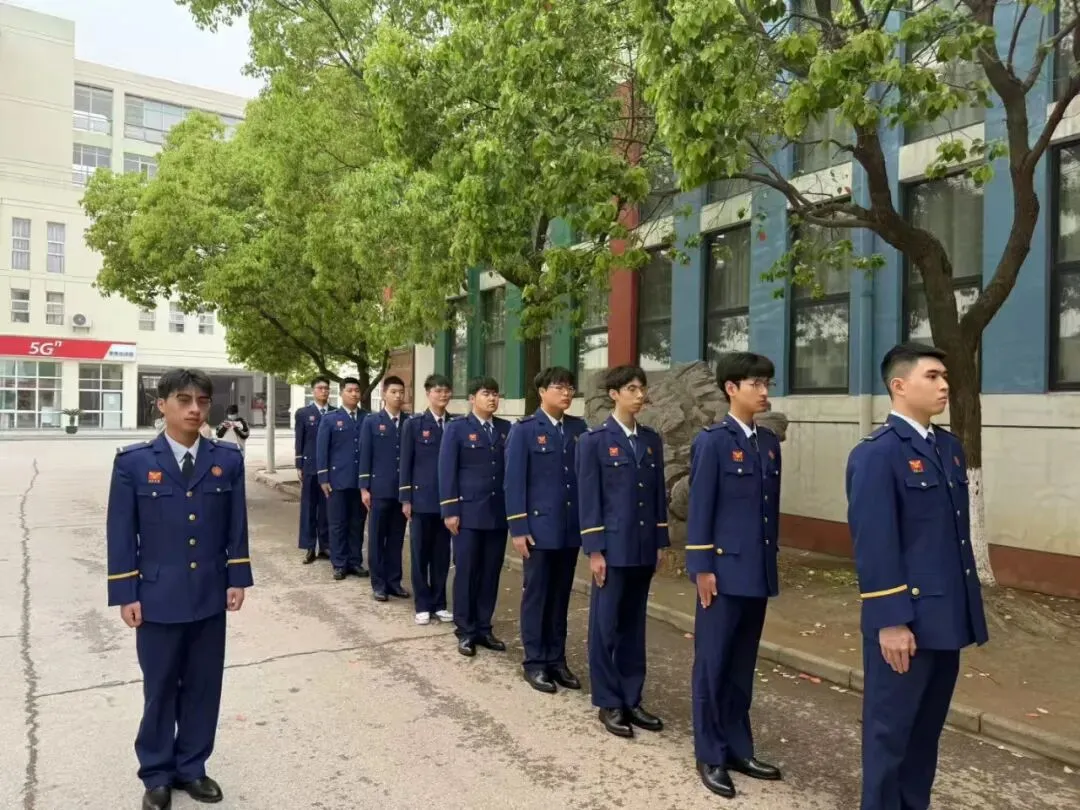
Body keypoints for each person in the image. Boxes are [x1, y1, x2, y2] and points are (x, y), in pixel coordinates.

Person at [845, 343, 989, 810]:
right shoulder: (877, 454)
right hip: (904, 622)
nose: (944, 385)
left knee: (925, 735)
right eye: (932, 376)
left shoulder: (947, 449)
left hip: (945, 617)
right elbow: (875, 543)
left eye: (945, 376)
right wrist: (890, 621)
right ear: (899, 385)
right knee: (890, 734)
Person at [106, 368, 252, 810]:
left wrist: (237, 578)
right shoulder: (134, 462)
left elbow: (236, 525)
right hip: (157, 596)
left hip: (209, 592)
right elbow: (120, 532)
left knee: (204, 686)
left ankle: (192, 767)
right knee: (161, 686)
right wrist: (126, 593)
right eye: (184, 400)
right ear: (162, 405)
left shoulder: (227, 459)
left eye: (202, 401)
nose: (195, 409)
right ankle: (156, 773)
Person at [687, 352, 783, 799]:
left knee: (742, 666)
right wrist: (702, 568)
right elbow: (701, 509)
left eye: (767, 383)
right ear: (731, 388)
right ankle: (710, 753)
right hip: (722, 574)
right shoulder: (712, 442)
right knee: (713, 665)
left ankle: (738, 748)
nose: (764, 392)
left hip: (755, 572)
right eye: (755, 383)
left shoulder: (768, 443)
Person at [577, 365, 668, 738]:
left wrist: (660, 541)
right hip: (612, 549)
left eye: (642, 388)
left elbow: (657, 495)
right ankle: (609, 701)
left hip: (642, 546)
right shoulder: (594, 441)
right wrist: (595, 551)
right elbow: (589, 499)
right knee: (605, 626)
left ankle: (632, 697)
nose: (639, 395)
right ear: (614, 394)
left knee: (633, 626)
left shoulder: (651, 440)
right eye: (631, 388)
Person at [504, 366, 588, 694]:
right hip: (538, 530)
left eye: (570, 387)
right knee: (537, 595)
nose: (566, 393)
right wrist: (518, 527)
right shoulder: (525, 430)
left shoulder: (578, 428)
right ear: (541, 392)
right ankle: (535, 662)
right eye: (558, 387)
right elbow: (514, 482)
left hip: (569, 528)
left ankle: (557, 659)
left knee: (560, 596)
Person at [438, 376, 511, 657]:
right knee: (467, 571)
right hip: (467, 514)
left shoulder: (506, 429)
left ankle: (483, 626)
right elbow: (447, 471)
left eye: (495, 394)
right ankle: (465, 630)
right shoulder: (457, 428)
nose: (492, 398)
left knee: (491, 572)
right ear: (472, 398)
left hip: (497, 513)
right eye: (485, 393)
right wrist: (450, 510)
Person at [399, 374, 455, 625]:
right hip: (421, 500)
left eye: (446, 391)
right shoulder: (414, 424)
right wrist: (406, 498)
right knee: (420, 554)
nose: (443, 395)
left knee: (442, 555)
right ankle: (422, 604)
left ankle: (439, 603)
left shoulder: (455, 424)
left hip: (447, 502)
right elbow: (406, 462)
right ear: (428, 393)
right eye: (437, 391)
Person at [359, 375, 411, 602]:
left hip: (402, 490)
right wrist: (364, 488)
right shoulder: (372, 421)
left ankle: (394, 581)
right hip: (379, 489)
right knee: (377, 538)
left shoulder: (409, 421)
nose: (398, 396)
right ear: (384, 394)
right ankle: (378, 584)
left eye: (401, 392)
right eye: (393, 392)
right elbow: (365, 455)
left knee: (397, 539)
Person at [316, 377, 370, 581]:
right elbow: (322, 450)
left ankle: (355, 561)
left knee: (357, 522)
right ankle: (339, 563)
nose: (354, 394)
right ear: (341, 393)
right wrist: (323, 478)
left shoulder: (367, 417)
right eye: (350, 390)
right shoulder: (330, 418)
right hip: (337, 480)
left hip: (360, 480)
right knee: (337, 523)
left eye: (357, 390)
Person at [294, 377, 335, 564]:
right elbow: (299, 439)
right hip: (310, 466)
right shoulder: (304, 413)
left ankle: (325, 546)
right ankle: (309, 546)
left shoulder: (335, 413)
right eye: (320, 388)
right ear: (313, 391)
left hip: (329, 468)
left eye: (326, 388)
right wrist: (299, 464)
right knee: (309, 507)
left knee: (327, 509)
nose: (324, 391)